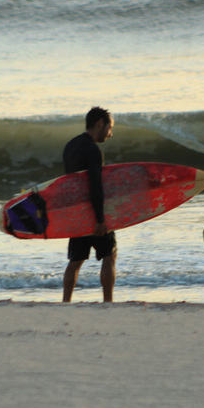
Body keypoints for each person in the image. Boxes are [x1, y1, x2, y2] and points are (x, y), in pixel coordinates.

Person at [62, 107, 116, 303]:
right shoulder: (93, 150)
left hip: (76, 213)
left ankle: (66, 301)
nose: (110, 133)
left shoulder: (70, 146)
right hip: (93, 213)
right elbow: (95, 186)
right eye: (109, 127)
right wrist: (100, 219)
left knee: (75, 261)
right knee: (109, 255)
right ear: (100, 123)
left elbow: (69, 184)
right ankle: (108, 302)